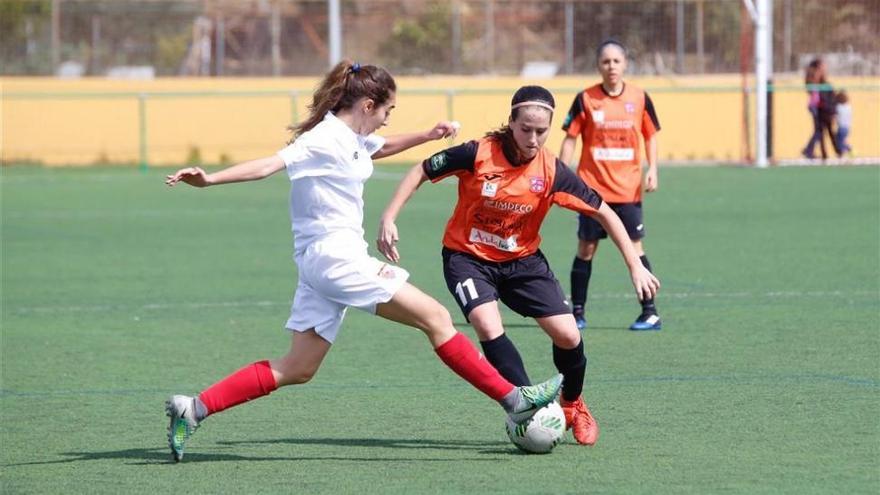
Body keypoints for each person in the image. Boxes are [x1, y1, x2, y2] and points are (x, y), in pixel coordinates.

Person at [161, 60, 564, 462]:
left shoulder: (354, 136)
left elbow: (381, 146)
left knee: (298, 367)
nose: (388, 120)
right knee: (436, 318)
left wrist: (427, 135)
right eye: (388, 111)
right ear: (368, 105)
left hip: (320, 264)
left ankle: (192, 408)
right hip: (336, 259)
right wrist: (210, 180)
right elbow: (270, 164)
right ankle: (515, 400)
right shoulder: (323, 139)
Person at [377, 85, 659, 446]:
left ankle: (572, 404)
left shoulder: (553, 171)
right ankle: (527, 403)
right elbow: (422, 169)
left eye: (541, 131)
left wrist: (635, 264)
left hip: (523, 262)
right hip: (467, 258)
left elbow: (604, 211)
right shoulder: (478, 153)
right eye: (525, 128)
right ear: (511, 122)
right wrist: (389, 217)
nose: (533, 137)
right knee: (484, 322)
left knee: (569, 335)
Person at [558, 39, 663, 331]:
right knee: (586, 248)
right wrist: (561, 173)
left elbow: (650, 136)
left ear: (625, 64)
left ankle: (650, 312)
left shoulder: (640, 98)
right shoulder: (585, 98)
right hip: (592, 189)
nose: (611, 67)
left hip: (628, 190)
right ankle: (577, 313)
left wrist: (652, 169)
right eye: (606, 62)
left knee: (635, 249)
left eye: (616, 61)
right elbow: (570, 137)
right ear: (598, 66)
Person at [802, 58, 824, 159]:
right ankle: (808, 150)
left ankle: (809, 150)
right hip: (814, 106)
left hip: (816, 105)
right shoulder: (812, 77)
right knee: (818, 130)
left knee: (818, 130)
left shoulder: (814, 77)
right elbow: (812, 87)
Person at [834, 90, 852, 156]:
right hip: (847, 127)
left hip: (841, 127)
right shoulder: (848, 107)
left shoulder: (838, 107)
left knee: (839, 141)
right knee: (840, 140)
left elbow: (836, 116)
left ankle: (846, 151)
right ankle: (844, 151)